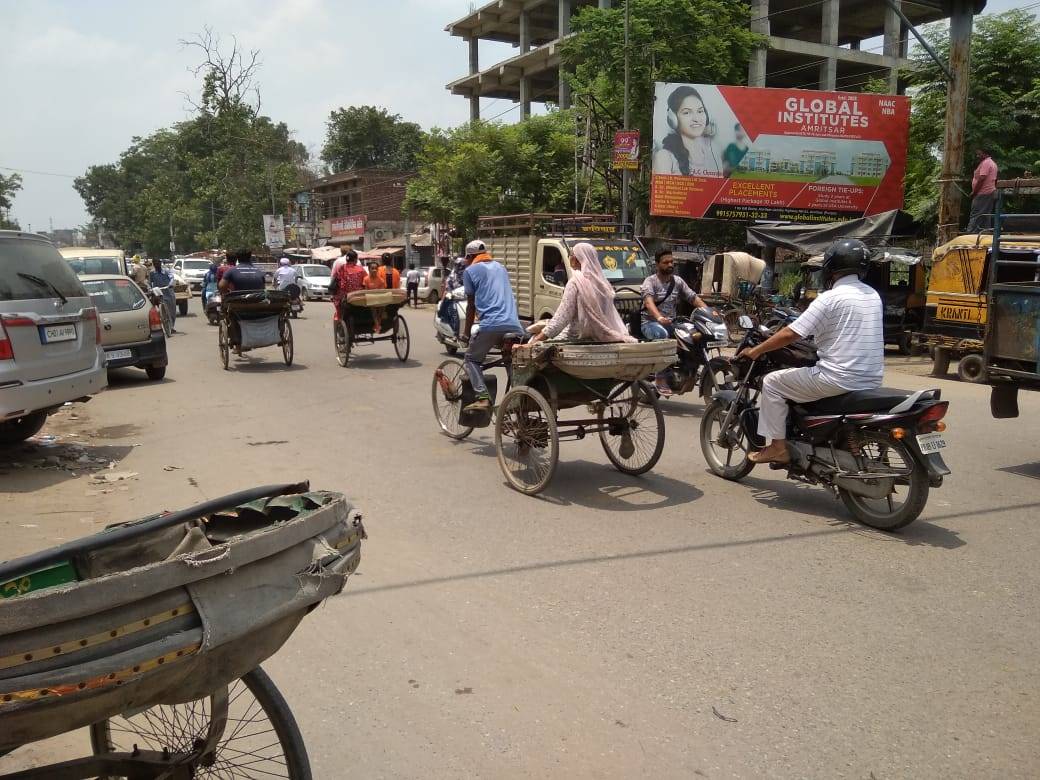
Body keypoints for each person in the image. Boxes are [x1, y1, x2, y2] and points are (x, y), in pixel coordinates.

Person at [737, 239, 883, 464]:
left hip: (837, 378)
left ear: (831, 268)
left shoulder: (830, 298)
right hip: (871, 379)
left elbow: (791, 334)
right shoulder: (873, 295)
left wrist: (756, 350)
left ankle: (777, 447)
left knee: (772, 383)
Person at [461, 239, 524, 414]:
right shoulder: (500, 267)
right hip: (514, 323)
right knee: (509, 359)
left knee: (471, 359)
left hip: (492, 324)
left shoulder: (470, 271)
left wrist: (466, 334)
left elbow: (471, 305)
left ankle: (482, 397)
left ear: (469, 256)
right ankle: (519, 395)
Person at [528, 242, 635, 345]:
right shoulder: (604, 285)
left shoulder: (576, 282)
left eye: (571, 254)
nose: (570, 257)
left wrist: (536, 340)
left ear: (577, 259)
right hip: (602, 336)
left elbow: (561, 319)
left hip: (575, 337)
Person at [641, 248, 709, 396]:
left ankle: (689, 368)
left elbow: (692, 297)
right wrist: (658, 317)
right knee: (662, 334)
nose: (670, 264)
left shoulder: (677, 281)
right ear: (657, 264)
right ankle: (660, 377)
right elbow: (648, 303)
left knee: (695, 334)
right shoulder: (650, 281)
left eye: (672, 262)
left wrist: (709, 311)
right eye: (666, 262)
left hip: (672, 322)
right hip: (650, 323)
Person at [653, 85, 720, 177]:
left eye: (700, 111)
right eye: (687, 112)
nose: (696, 119)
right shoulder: (664, 157)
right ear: (673, 119)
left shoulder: (714, 154)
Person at [966, 149, 999, 233]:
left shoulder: (986, 163)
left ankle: (970, 235)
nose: (977, 156)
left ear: (985, 154)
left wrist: (974, 191)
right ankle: (985, 234)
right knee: (985, 215)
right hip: (989, 192)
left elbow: (982, 178)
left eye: (979, 154)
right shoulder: (992, 163)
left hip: (982, 193)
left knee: (976, 215)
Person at [148, 258, 177, 333]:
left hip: (168, 292)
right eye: (155, 264)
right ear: (154, 265)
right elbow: (149, 282)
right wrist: (150, 288)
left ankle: (172, 326)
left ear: (160, 264)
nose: (157, 265)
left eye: (158, 263)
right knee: (157, 309)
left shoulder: (166, 271)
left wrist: (170, 284)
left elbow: (172, 277)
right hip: (159, 293)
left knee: (172, 311)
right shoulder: (152, 273)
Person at [364, 260, 388, 333]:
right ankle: (377, 325)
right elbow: (365, 291)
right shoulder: (366, 279)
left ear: (377, 269)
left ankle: (377, 324)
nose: (374, 270)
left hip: (379, 299)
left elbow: (382, 291)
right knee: (373, 308)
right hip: (370, 299)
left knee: (382, 308)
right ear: (369, 269)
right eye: (372, 268)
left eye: (376, 268)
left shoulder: (381, 280)